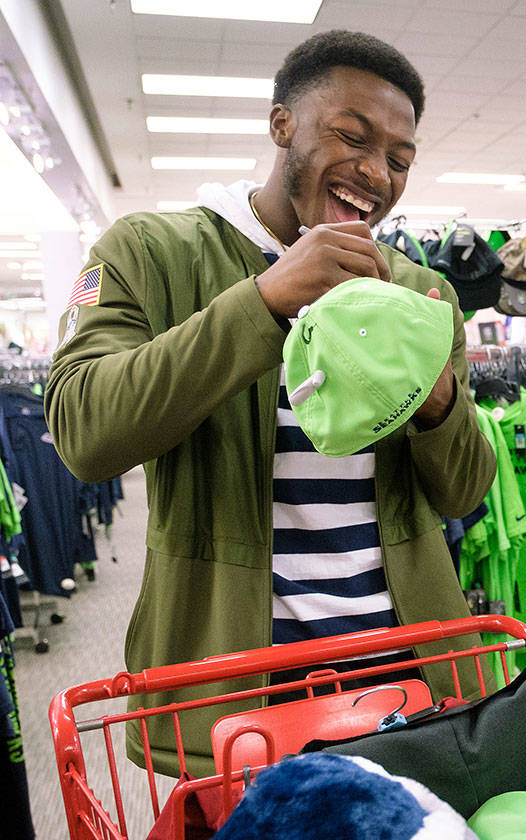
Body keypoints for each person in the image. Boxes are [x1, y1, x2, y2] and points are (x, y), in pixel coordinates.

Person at [44, 31, 496, 777]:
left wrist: (435, 394)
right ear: (283, 125)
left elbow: (465, 488)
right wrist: (262, 302)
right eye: (352, 136)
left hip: (402, 676)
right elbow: (85, 433)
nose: (375, 172)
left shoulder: (420, 293)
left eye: (400, 159)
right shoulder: (150, 253)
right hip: (234, 690)